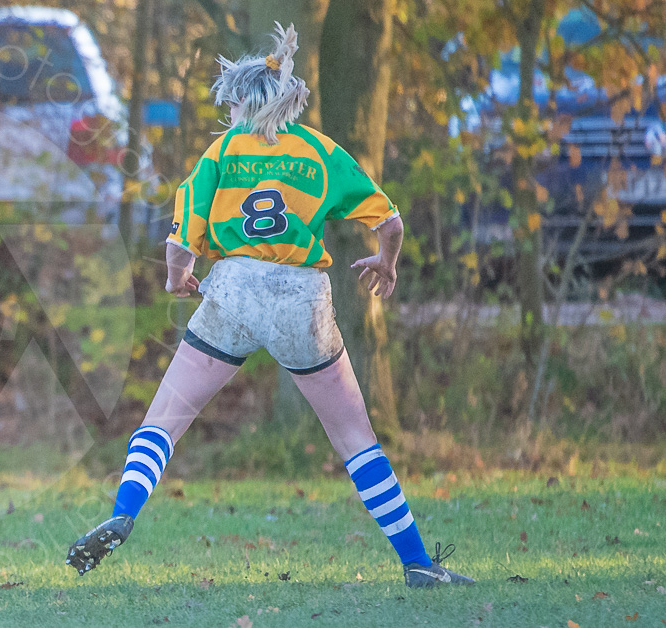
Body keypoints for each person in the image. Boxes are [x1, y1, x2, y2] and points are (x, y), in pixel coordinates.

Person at [65, 24, 473, 588]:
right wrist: (386, 262)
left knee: (162, 422)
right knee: (356, 439)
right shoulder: (319, 151)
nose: (228, 112)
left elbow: (181, 241)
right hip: (301, 296)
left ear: (241, 100)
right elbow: (390, 221)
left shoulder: (222, 151)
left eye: (229, 103)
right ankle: (417, 562)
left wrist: (178, 279)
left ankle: (124, 513)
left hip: (233, 288)